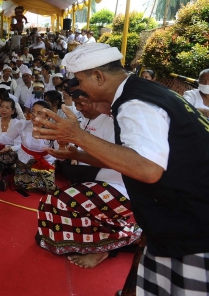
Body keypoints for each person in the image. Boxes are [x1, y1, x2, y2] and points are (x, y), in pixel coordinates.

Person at [32, 43, 209, 296]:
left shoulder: (135, 104)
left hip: (195, 224)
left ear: (98, 76)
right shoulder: (141, 92)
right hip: (179, 217)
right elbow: (132, 158)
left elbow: (148, 169)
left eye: (79, 81)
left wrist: (77, 135)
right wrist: (77, 153)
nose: (78, 89)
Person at [36, 89, 141, 268]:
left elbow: (109, 160)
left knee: (57, 201)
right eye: (76, 104)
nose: (79, 108)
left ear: (95, 101)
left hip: (118, 185)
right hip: (88, 179)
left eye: (82, 104)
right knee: (50, 205)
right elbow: (68, 155)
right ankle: (91, 240)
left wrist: (77, 154)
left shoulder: (111, 124)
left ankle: (102, 249)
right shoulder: (81, 120)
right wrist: (61, 149)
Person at [0, 101, 56, 192]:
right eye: (33, 111)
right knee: (20, 182)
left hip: (45, 161)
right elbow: (6, 139)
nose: (34, 115)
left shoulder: (53, 131)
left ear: (47, 117)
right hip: (25, 159)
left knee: (49, 187)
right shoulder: (23, 125)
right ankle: (15, 174)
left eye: (39, 113)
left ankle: (13, 172)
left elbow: (60, 154)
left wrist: (62, 145)